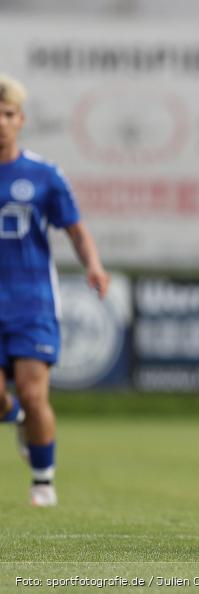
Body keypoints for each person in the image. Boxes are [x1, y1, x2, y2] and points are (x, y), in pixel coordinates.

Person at [0, 74, 110, 507]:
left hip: (32, 303)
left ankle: (43, 480)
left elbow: (75, 229)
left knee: (33, 390)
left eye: (7, 114)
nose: (0, 122)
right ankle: (19, 418)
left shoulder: (43, 174)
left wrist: (94, 265)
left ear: (21, 120)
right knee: (10, 401)